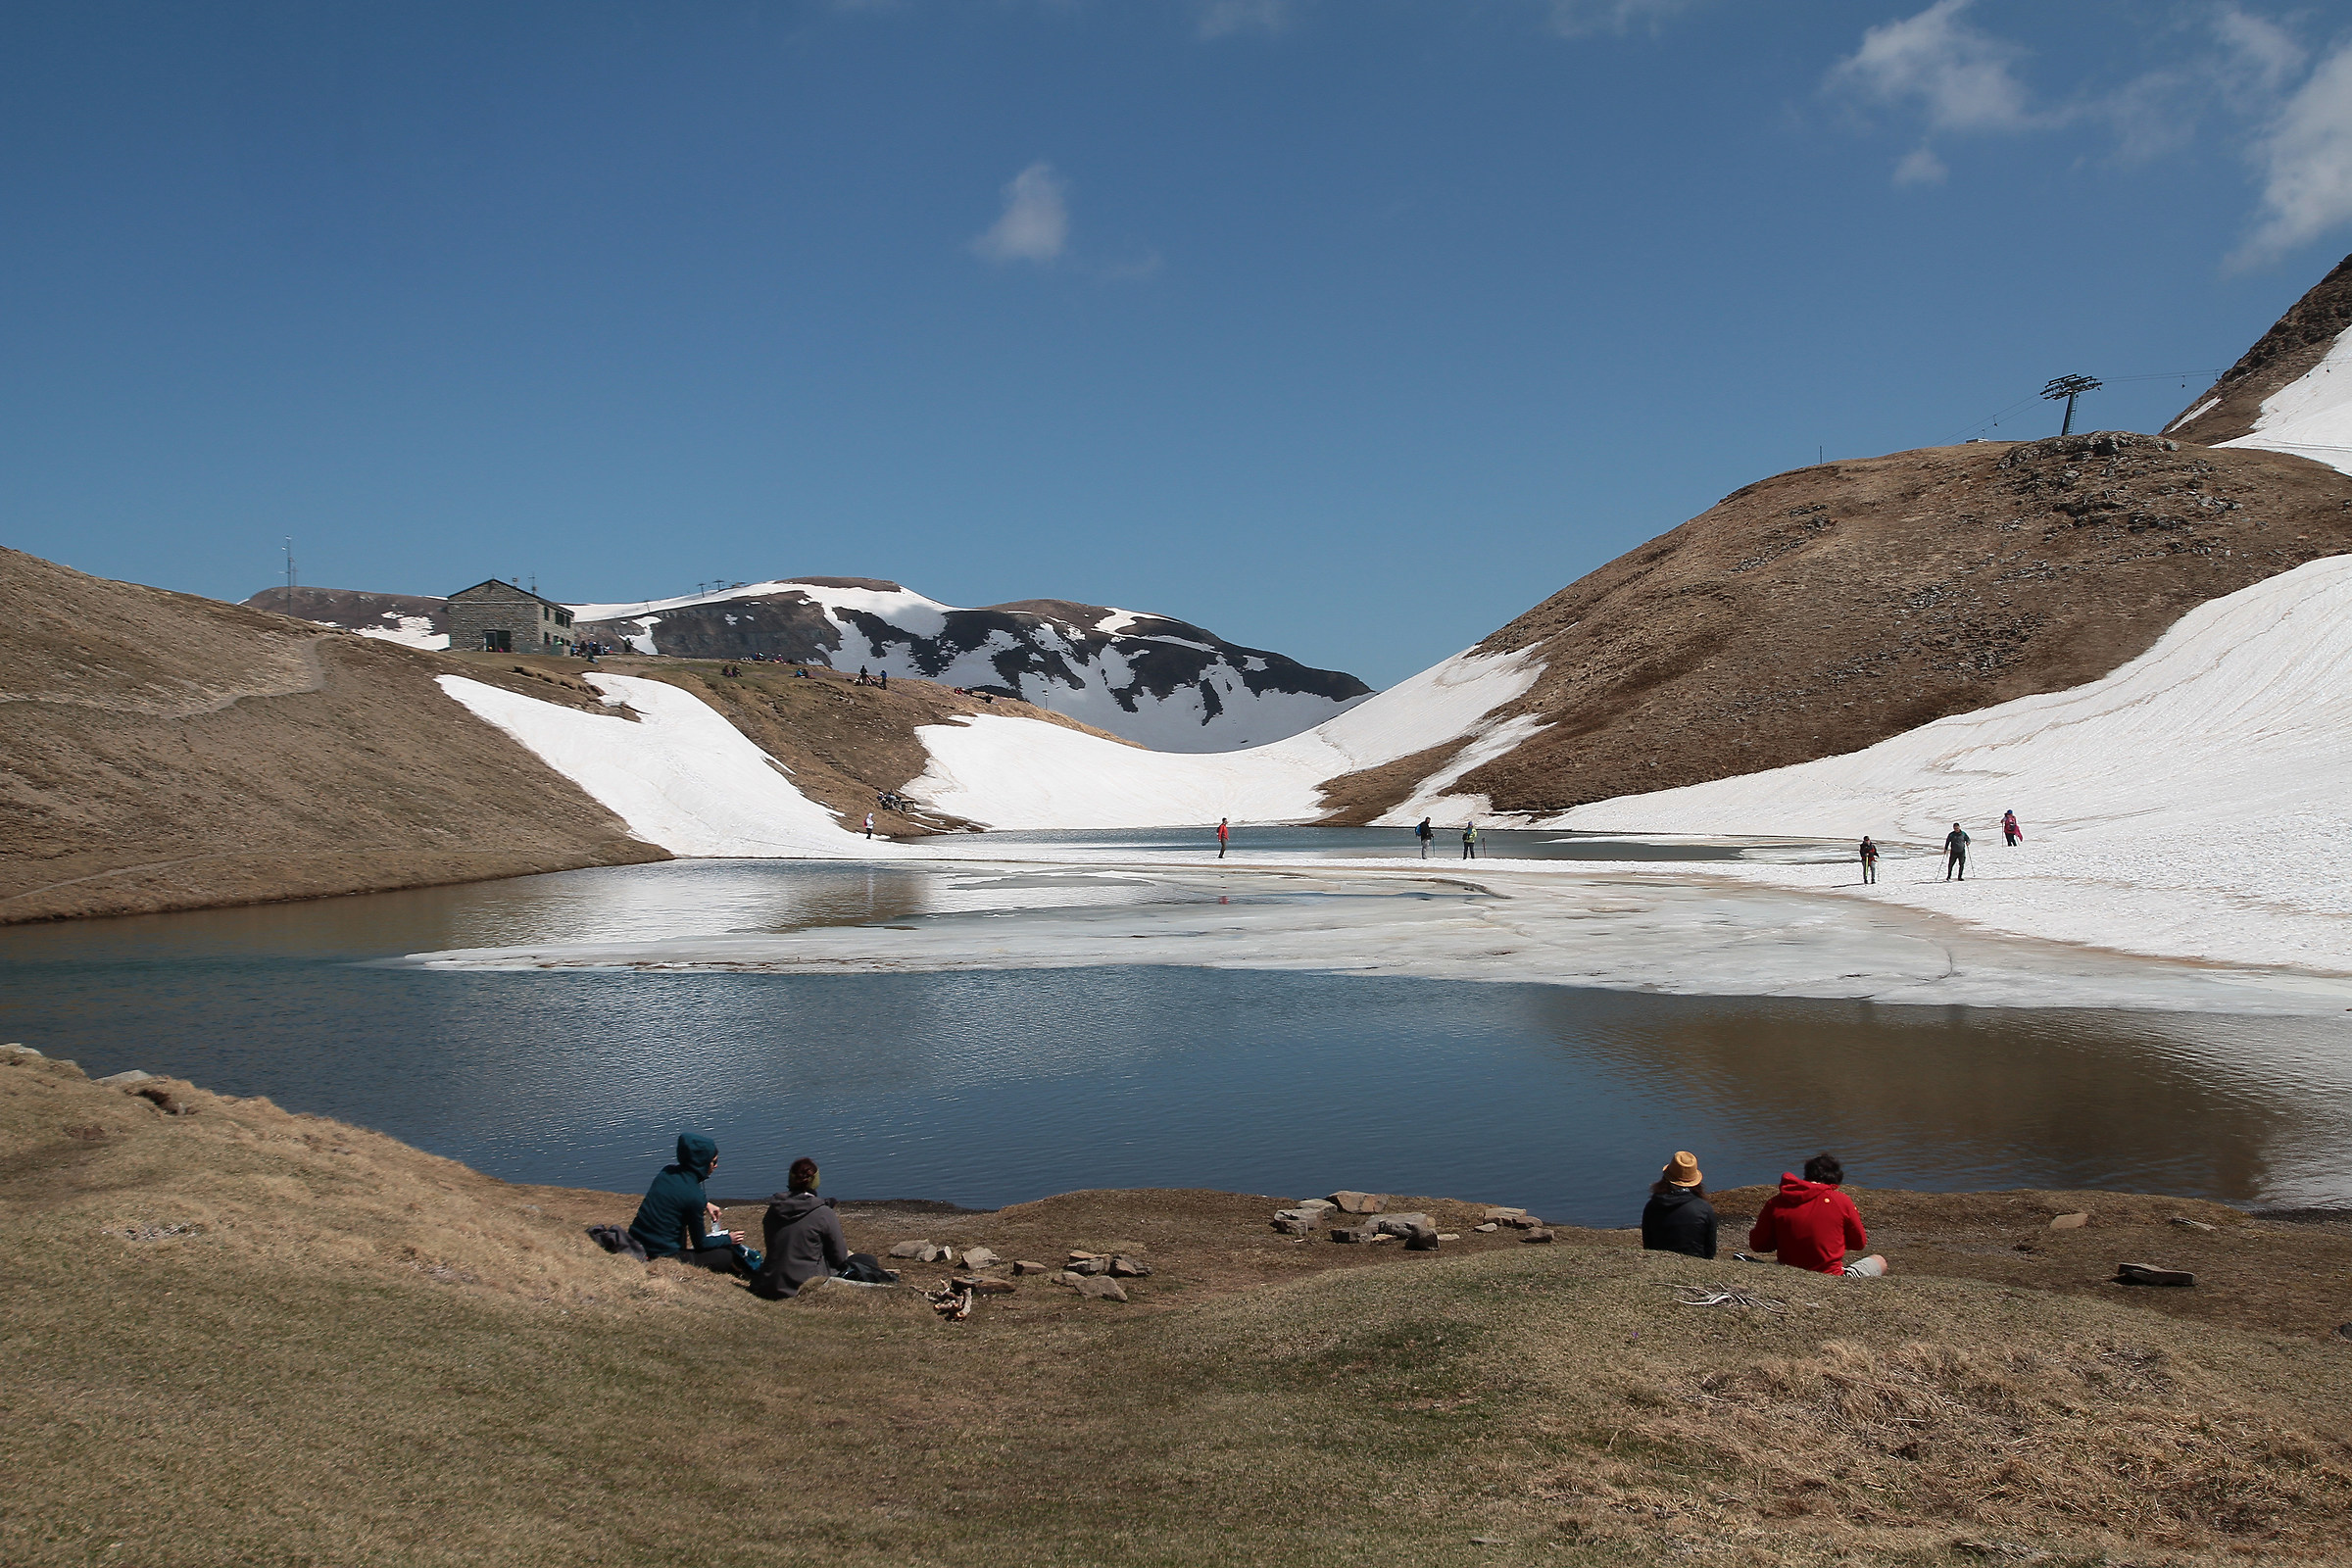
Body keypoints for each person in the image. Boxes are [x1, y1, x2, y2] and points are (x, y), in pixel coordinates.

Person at [752, 1156, 894, 1299]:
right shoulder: (822, 1212)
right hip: (804, 1284)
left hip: (769, 1282)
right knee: (866, 1260)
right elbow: (839, 1257)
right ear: (815, 1181)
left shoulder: (774, 1209)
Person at [627, 1134, 760, 1276]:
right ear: (702, 1163)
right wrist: (729, 1239)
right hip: (660, 1254)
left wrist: (705, 1204)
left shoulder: (666, 1172)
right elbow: (701, 1243)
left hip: (635, 1240)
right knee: (724, 1257)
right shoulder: (694, 1196)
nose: (716, 1166)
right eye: (714, 1162)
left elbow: (679, 1194)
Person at [1747, 1152, 1887, 1277]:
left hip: (1787, 1271)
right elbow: (1859, 1243)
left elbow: (1758, 1245)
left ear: (1807, 1174)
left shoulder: (1776, 1202)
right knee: (1879, 1260)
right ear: (1836, 1179)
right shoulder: (1841, 1201)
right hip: (1831, 1275)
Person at [1641, 1151, 1717, 1260]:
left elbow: (1648, 1245)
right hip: (1697, 1263)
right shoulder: (1704, 1209)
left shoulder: (1652, 1206)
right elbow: (1710, 1251)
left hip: (1660, 1262)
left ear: (1666, 1177)